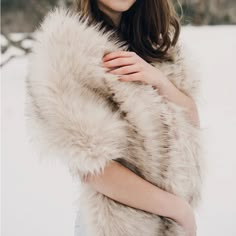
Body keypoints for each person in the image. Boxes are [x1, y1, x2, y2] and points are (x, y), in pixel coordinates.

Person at [71, 1, 200, 236]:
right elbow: (92, 167)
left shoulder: (157, 44)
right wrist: (179, 211)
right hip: (116, 224)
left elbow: (191, 123)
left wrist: (158, 80)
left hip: (168, 221)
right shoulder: (69, 47)